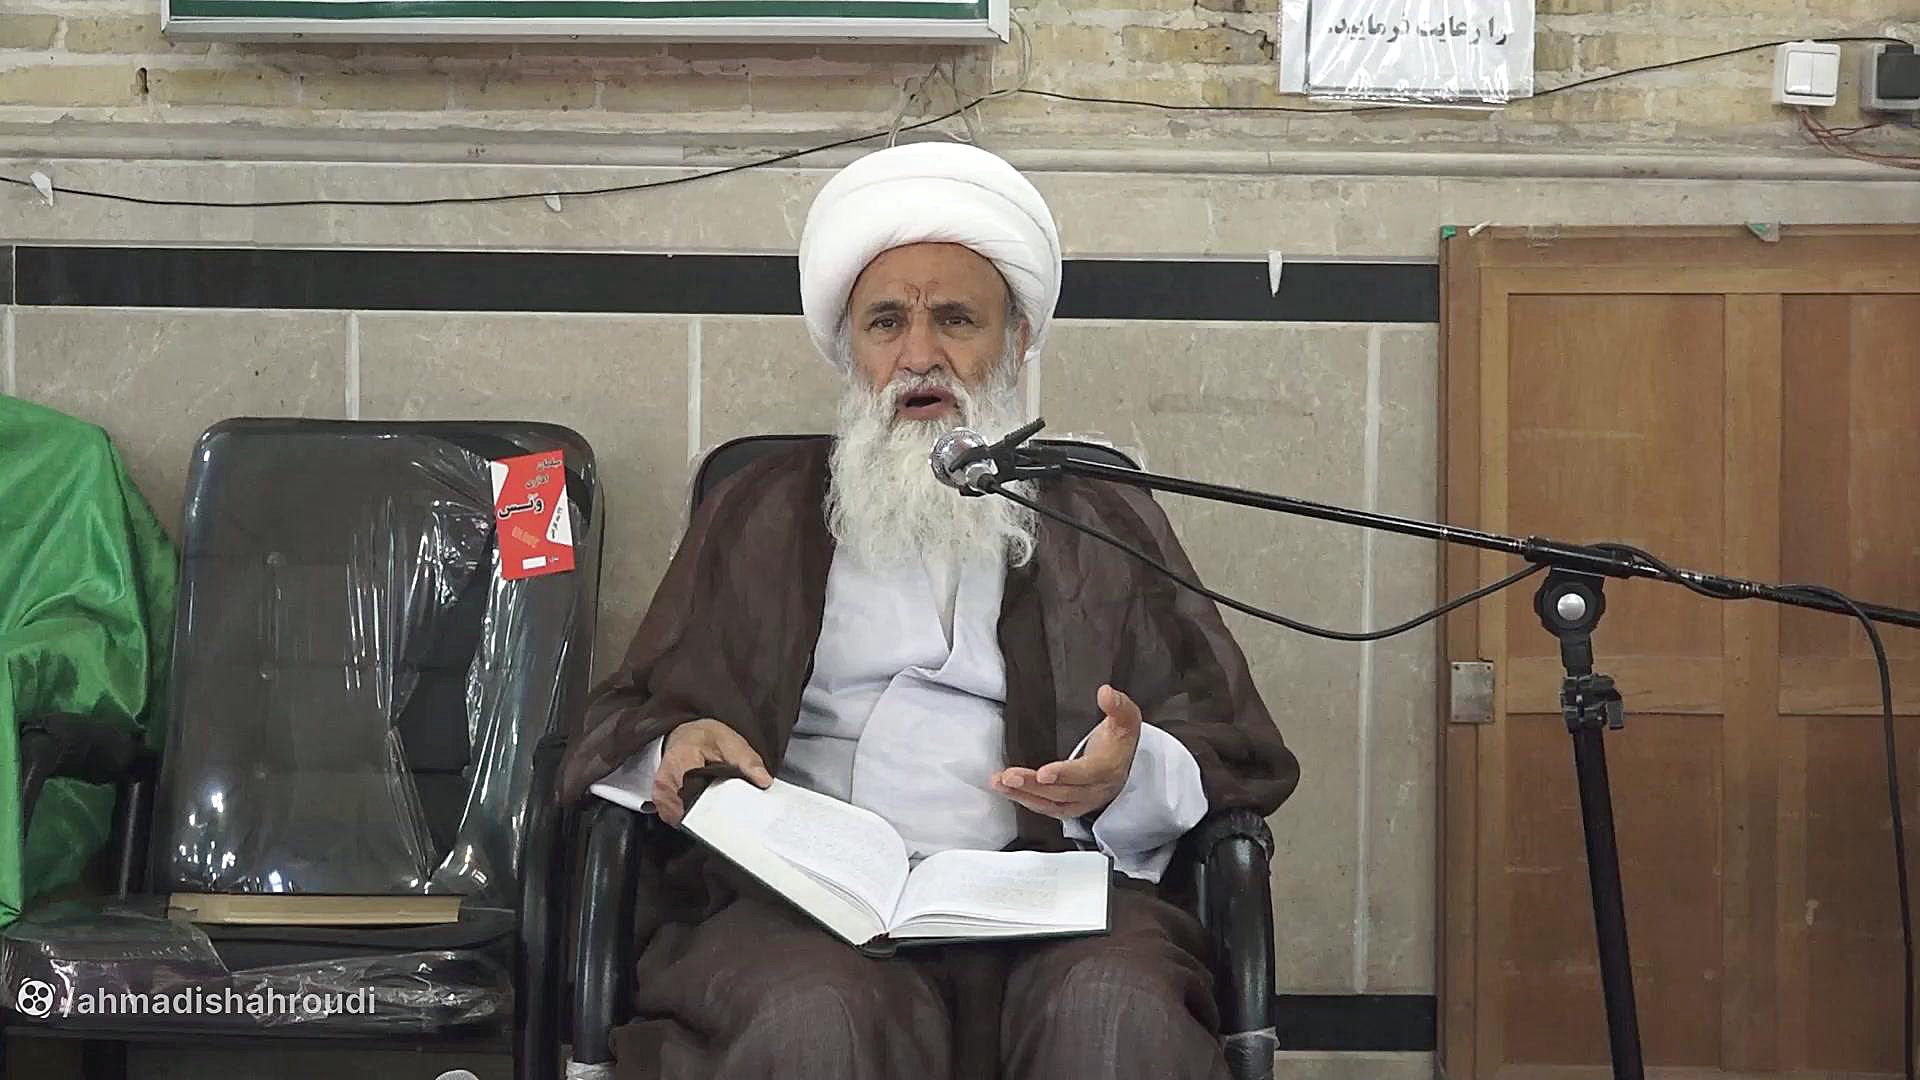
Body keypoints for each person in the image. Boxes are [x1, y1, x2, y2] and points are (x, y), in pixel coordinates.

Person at [557, 141, 1300, 1080]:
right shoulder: (761, 510)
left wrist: (1129, 770)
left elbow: (1224, 743)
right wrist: (674, 746)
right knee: (812, 1021)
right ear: (851, 348)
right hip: (798, 909)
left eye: (955, 320)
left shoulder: (1101, 518)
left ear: (1015, 342)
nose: (919, 356)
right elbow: (629, 716)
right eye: (886, 323)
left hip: (1052, 897)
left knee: (1114, 1014)